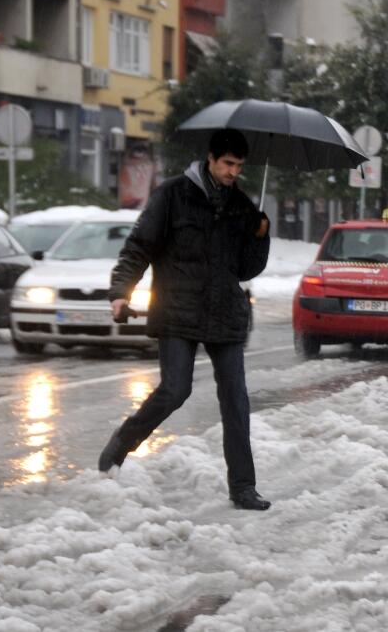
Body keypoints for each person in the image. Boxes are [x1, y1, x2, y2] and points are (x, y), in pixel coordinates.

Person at [98, 129, 273, 511]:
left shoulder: (243, 206)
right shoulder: (173, 195)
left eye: (239, 166)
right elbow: (139, 246)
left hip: (224, 312)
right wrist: (120, 292)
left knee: (236, 401)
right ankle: (120, 445)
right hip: (178, 308)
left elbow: (245, 269)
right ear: (210, 158)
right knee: (176, 390)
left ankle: (243, 487)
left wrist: (260, 235)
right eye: (228, 163)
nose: (233, 172)